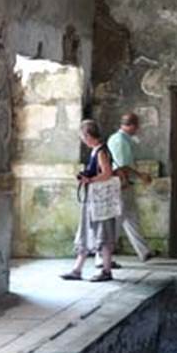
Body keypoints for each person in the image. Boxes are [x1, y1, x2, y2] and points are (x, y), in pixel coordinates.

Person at [61, 120, 117, 282]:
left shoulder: (100, 151)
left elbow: (107, 173)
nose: (83, 140)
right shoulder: (96, 150)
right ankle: (77, 269)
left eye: (83, 137)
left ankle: (106, 270)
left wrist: (90, 180)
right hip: (94, 199)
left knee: (102, 232)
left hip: (100, 200)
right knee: (87, 231)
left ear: (88, 135)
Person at [102, 112, 156, 267]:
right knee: (117, 221)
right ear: (131, 125)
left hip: (125, 184)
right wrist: (141, 176)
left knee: (131, 219)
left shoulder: (121, 140)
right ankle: (103, 256)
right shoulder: (120, 141)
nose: (138, 129)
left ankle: (144, 251)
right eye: (136, 126)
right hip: (121, 184)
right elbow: (122, 165)